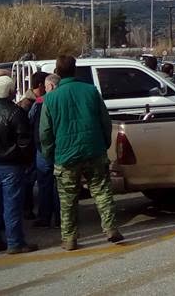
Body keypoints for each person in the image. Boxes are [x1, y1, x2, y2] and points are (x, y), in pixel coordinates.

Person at [40, 56, 123, 251]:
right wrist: (104, 144)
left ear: (57, 72)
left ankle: (69, 239)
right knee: (102, 191)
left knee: (68, 199)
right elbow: (105, 121)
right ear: (75, 70)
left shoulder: (50, 98)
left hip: (65, 155)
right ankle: (110, 228)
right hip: (94, 150)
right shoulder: (91, 91)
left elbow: (45, 132)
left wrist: (49, 154)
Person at [0, 76, 37, 254]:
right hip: (11, 164)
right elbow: (24, 141)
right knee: (11, 204)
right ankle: (15, 242)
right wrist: (27, 160)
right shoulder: (15, 112)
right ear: (12, 92)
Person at [29, 73, 61, 228]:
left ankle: (45, 217)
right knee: (59, 185)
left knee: (44, 184)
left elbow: (31, 120)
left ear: (51, 86)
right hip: (60, 148)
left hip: (42, 149)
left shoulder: (40, 102)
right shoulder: (63, 101)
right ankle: (61, 218)